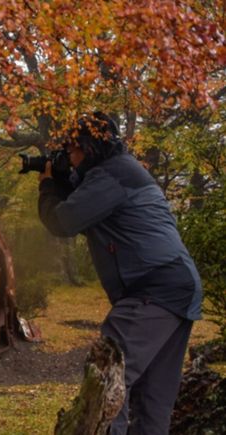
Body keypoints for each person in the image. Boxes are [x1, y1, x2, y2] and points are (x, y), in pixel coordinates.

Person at [37, 112, 202, 434]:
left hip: (154, 289)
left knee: (109, 375)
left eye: (72, 150)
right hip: (177, 286)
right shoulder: (121, 171)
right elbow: (80, 198)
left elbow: (63, 221)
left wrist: (46, 186)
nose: (69, 158)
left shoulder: (110, 177)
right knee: (152, 397)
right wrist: (61, 178)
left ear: (89, 147)